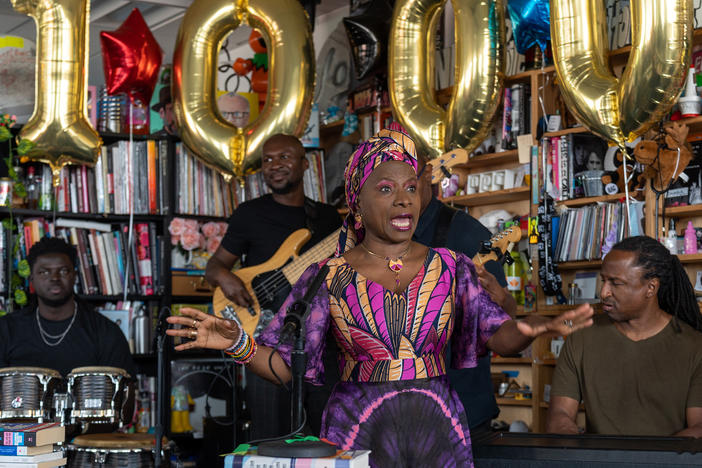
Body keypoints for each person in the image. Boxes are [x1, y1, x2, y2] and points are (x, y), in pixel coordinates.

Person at [171, 128, 594, 466]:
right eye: (386, 189)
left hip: (438, 427)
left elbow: (498, 338)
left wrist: (528, 329)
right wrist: (236, 343)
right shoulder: (325, 276)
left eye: (411, 186)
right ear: (357, 201)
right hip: (356, 429)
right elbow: (287, 366)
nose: (404, 198)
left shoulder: (452, 266)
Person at [205, 133, 342, 440]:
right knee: (269, 438)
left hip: (321, 343)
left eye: (284, 157)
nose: (274, 165)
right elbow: (213, 267)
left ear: (305, 164)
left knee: (329, 437)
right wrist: (227, 279)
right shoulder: (249, 214)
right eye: (267, 159)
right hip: (265, 345)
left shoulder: (327, 218)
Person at [547, 236, 702, 437]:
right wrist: (570, 439)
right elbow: (559, 414)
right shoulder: (581, 337)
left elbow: (699, 427)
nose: (603, 293)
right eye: (604, 281)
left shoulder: (695, 346)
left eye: (616, 283)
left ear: (651, 288)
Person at [413, 156, 517, 444]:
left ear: (428, 174)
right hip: (393, 417)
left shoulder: (466, 234)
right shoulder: (371, 238)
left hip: (458, 418)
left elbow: (499, 325)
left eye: (409, 179)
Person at [0, 237, 136, 377]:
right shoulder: (6, 330)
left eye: (63, 271)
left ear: (75, 276)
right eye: (44, 272)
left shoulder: (106, 333)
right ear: (32, 279)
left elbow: (124, 395)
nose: (54, 278)